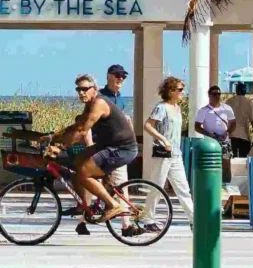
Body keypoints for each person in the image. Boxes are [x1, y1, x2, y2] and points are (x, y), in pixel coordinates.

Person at [45, 74, 136, 231]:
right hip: (107, 146)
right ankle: (84, 205)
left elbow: (82, 130)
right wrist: (54, 137)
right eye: (78, 90)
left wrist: (60, 148)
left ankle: (113, 205)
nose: (81, 93)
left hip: (121, 148)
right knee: (78, 163)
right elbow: (75, 127)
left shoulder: (99, 103)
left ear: (95, 88)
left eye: (85, 89)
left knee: (85, 173)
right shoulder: (90, 104)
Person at [143, 76, 192, 216]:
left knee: (183, 189)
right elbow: (148, 126)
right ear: (170, 91)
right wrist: (163, 139)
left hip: (176, 154)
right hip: (163, 154)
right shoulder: (161, 108)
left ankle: (194, 219)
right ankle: (147, 218)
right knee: (156, 187)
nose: (182, 92)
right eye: (180, 89)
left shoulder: (177, 108)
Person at [194, 85, 235, 184]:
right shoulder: (203, 110)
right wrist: (209, 134)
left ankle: (226, 185)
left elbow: (233, 123)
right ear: (209, 95)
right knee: (211, 165)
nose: (217, 96)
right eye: (214, 94)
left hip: (224, 140)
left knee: (226, 164)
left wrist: (227, 132)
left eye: (219, 94)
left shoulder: (227, 108)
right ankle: (213, 185)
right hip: (211, 142)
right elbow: (197, 126)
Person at [227, 82, 253, 158]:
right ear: (245, 91)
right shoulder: (248, 102)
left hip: (231, 135)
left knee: (231, 160)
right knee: (244, 160)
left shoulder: (229, 101)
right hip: (244, 136)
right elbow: (252, 120)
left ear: (236, 90)